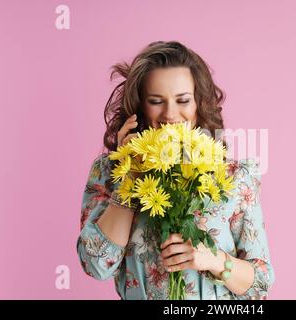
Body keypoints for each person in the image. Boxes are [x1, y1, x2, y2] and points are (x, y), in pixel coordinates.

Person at [76, 41, 275, 300]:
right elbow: (96, 265)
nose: (170, 114)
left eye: (182, 100)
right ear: (140, 108)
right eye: (156, 101)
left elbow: (260, 284)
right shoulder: (111, 172)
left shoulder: (233, 177)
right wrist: (130, 177)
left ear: (199, 104)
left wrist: (214, 260)